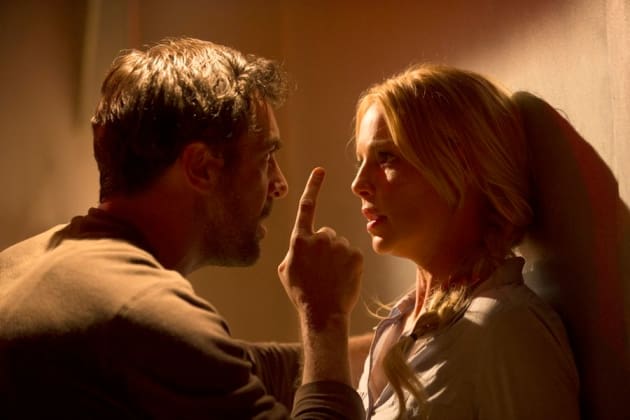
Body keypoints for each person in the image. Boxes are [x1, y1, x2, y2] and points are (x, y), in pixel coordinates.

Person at [0, 37, 365, 418]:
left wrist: (393, 346)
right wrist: (324, 318)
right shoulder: (142, 311)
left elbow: (237, 366)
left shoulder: (26, 264)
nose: (279, 184)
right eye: (266, 157)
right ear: (201, 168)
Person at [350, 64, 580, 419]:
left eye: (386, 157)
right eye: (361, 160)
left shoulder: (507, 328)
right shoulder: (399, 325)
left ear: (463, 165)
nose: (358, 184)